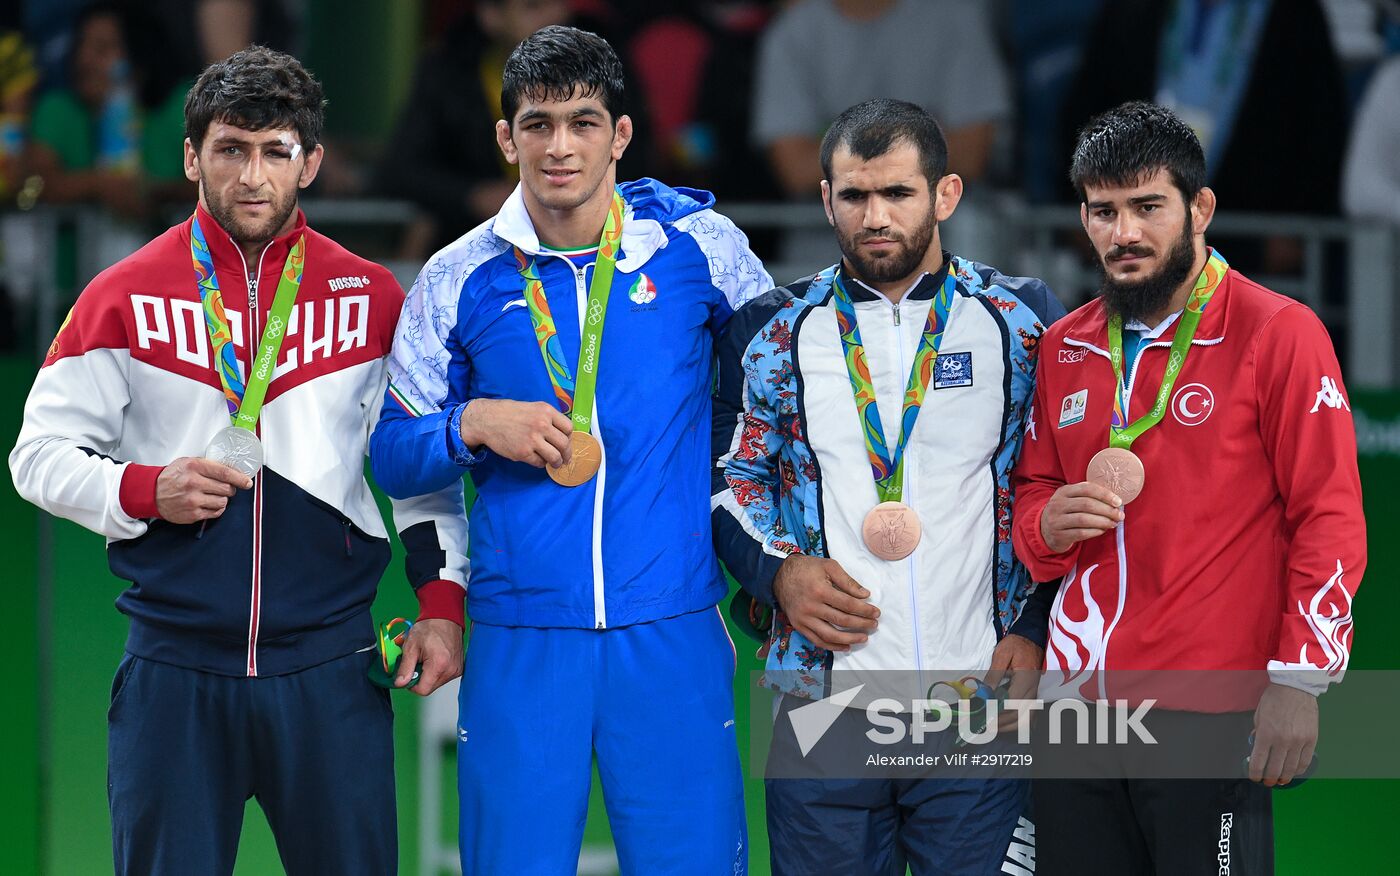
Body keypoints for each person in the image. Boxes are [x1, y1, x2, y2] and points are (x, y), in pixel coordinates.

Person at [9, 46, 463, 876]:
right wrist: (147, 488)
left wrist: (440, 601)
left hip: (329, 669)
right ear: (191, 156)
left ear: (311, 161)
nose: (252, 176)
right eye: (230, 149)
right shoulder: (122, 293)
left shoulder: (374, 298)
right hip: (173, 674)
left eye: (275, 151)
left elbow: (415, 471)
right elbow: (34, 457)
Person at [369, 25, 771, 874]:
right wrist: (472, 425)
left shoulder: (701, 248)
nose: (560, 146)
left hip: (672, 627)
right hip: (522, 638)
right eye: (539, 123)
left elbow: (785, 398)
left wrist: (773, 568)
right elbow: (395, 455)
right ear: (505, 137)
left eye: (584, 122)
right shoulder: (455, 276)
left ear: (620, 136)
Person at [1013, 101, 1366, 875]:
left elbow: (1329, 517)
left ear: (1199, 208)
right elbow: (1031, 499)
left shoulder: (1276, 331)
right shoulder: (1068, 345)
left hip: (1209, 713)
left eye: (1147, 207)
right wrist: (1047, 523)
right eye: (1104, 212)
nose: (1124, 233)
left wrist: (1298, 680)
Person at [712, 98, 1064, 876]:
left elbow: (1054, 487)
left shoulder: (1022, 322)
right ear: (826, 199)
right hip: (820, 712)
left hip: (980, 703)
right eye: (855, 195)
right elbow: (730, 484)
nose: (876, 216)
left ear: (945, 195)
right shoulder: (769, 330)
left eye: (898, 193)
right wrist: (778, 574)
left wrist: (1033, 626)